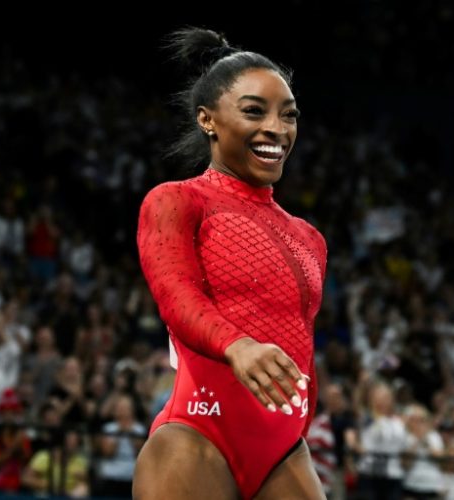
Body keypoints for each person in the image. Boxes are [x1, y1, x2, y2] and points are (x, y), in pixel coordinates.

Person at [133, 27, 327, 500]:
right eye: (254, 111)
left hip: (284, 447)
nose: (277, 130)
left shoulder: (310, 237)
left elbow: (299, 340)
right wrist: (238, 346)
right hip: (198, 433)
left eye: (289, 116)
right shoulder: (177, 201)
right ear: (208, 120)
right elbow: (176, 297)